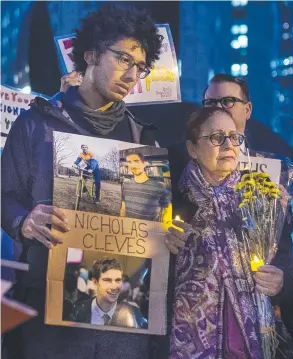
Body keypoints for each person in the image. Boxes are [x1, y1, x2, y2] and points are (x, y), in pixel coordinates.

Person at [1, 5, 163, 359]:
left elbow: (152, 221)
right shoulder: (36, 125)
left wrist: (165, 234)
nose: (132, 74)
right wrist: (23, 221)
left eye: (140, 67)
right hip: (49, 315)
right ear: (89, 54)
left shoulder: (143, 138)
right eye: (124, 59)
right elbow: (5, 195)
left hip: (122, 325)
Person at [167, 74, 293, 359]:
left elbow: (285, 259)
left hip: (250, 335)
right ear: (192, 148)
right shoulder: (171, 184)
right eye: (211, 103)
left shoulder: (264, 190)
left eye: (233, 137)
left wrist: (280, 281)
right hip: (185, 332)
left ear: (247, 110)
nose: (227, 144)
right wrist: (163, 240)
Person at [71, 258, 147, 329]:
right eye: (107, 280)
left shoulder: (135, 315)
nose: (114, 287)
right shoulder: (76, 312)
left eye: (118, 280)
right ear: (95, 282)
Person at [120, 151, 172, 222]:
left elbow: (167, 209)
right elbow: (123, 208)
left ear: (144, 164)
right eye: (129, 162)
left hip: (150, 231)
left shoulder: (159, 187)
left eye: (136, 161)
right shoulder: (125, 185)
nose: (133, 165)